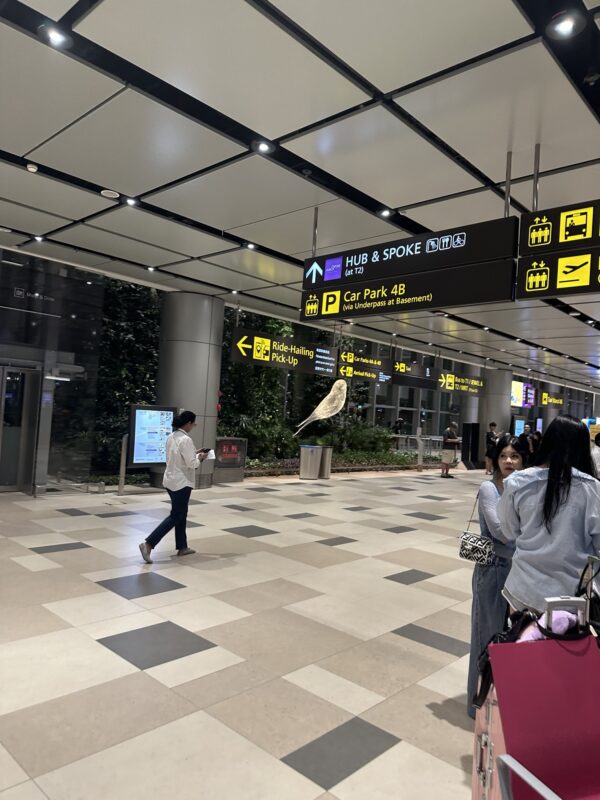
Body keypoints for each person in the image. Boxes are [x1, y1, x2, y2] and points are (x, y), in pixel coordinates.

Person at [498, 415, 600, 613]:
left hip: (523, 592)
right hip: (573, 599)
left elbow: (509, 532)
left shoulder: (518, 483)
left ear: (547, 442)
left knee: (520, 641)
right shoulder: (592, 489)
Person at [467, 434, 525, 718]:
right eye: (503, 456)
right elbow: (503, 532)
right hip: (492, 570)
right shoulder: (490, 489)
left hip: (519, 570)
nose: (509, 461)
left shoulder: (526, 488)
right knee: (486, 638)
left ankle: (503, 706)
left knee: (514, 638)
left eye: (514, 456)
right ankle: (476, 706)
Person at [139, 411, 208, 564]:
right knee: (176, 515)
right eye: (193, 424)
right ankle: (149, 544)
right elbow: (192, 464)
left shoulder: (172, 437)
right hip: (182, 483)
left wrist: (194, 453)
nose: (193, 427)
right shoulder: (186, 439)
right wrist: (201, 458)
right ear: (188, 423)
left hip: (170, 481)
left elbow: (178, 457)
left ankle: (182, 547)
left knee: (181, 513)